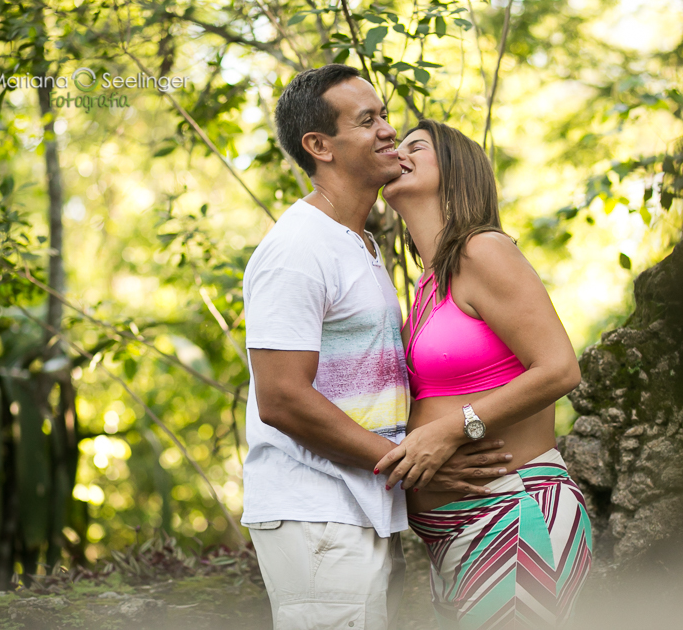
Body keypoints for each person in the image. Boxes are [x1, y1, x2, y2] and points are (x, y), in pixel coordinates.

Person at [241, 66, 511, 630]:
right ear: (320, 146)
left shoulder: (357, 243)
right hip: (317, 515)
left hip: (360, 509)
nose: (389, 130)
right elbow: (282, 399)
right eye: (368, 120)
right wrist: (411, 467)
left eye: (384, 113)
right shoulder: (297, 247)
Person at [378, 119, 594, 629]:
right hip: (457, 533)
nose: (396, 151)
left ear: (456, 173)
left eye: (416, 147)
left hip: (514, 516)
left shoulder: (483, 249)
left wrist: (452, 430)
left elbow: (560, 368)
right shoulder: (428, 285)